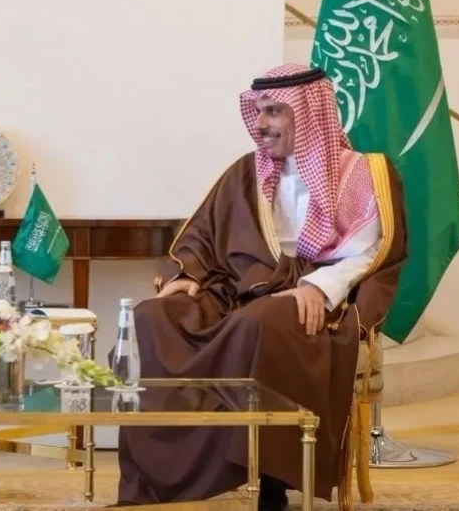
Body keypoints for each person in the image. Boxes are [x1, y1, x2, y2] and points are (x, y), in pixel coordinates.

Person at [116, 63, 407, 510]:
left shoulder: (361, 173)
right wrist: (189, 276)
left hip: (319, 297)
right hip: (237, 290)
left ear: (307, 112)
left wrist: (318, 287)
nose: (260, 124)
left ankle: (272, 478)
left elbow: (373, 250)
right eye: (258, 111)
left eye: (273, 111)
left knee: (260, 323)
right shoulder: (246, 172)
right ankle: (164, 475)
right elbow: (205, 234)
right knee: (151, 317)